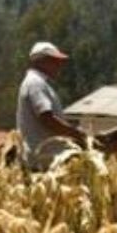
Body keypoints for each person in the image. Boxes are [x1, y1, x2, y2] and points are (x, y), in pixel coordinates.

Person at [16, 41, 87, 170]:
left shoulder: (35, 82)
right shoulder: (36, 83)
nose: (59, 66)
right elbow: (47, 118)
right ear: (42, 62)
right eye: (54, 61)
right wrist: (75, 133)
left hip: (43, 160)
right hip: (43, 161)